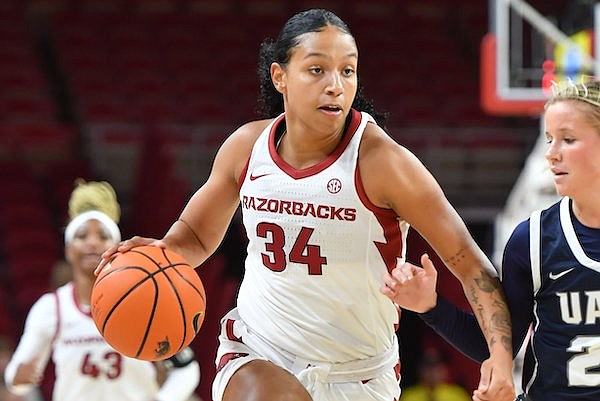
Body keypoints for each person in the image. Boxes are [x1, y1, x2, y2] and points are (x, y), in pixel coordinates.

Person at [96, 8, 515, 401]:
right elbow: (194, 237)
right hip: (259, 347)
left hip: (358, 374)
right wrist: (158, 253)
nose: (336, 85)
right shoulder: (246, 148)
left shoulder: (384, 164)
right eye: (317, 70)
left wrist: (499, 355)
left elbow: (471, 264)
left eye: (347, 71)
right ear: (280, 76)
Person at [390, 77, 600, 401]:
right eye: (549, 140)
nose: (552, 155)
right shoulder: (533, 240)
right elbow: (496, 344)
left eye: (568, 139)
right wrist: (431, 306)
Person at [4, 179, 201, 401]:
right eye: (81, 236)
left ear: (117, 247)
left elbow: (186, 369)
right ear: (68, 249)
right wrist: (18, 379)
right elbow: (17, 374)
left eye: (103, 236)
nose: (92, 243)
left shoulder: (147, 297)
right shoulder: (51, 308)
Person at [400, 348, 471, 401]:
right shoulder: (409, 396)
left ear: (444, 370)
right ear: (420, 371)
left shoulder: (457, 395)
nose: (432, 372)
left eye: (436, 367)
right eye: (428, 368)